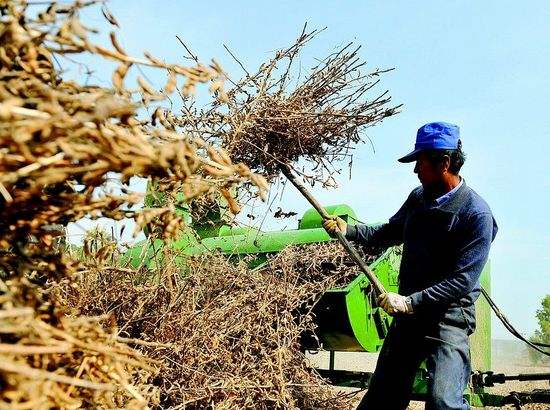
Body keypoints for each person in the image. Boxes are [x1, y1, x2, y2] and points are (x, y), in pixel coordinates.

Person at [323, 122, 498, 410]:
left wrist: (409, 302)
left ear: (444, 163)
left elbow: (462, 282)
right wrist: (349, 230)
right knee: (382, 398)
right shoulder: (419, 199)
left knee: (444, 402)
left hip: (449, 317)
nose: (415, 170)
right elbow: (389, 232)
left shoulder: (476, 214)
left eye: (420, 162)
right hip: (410, 316)